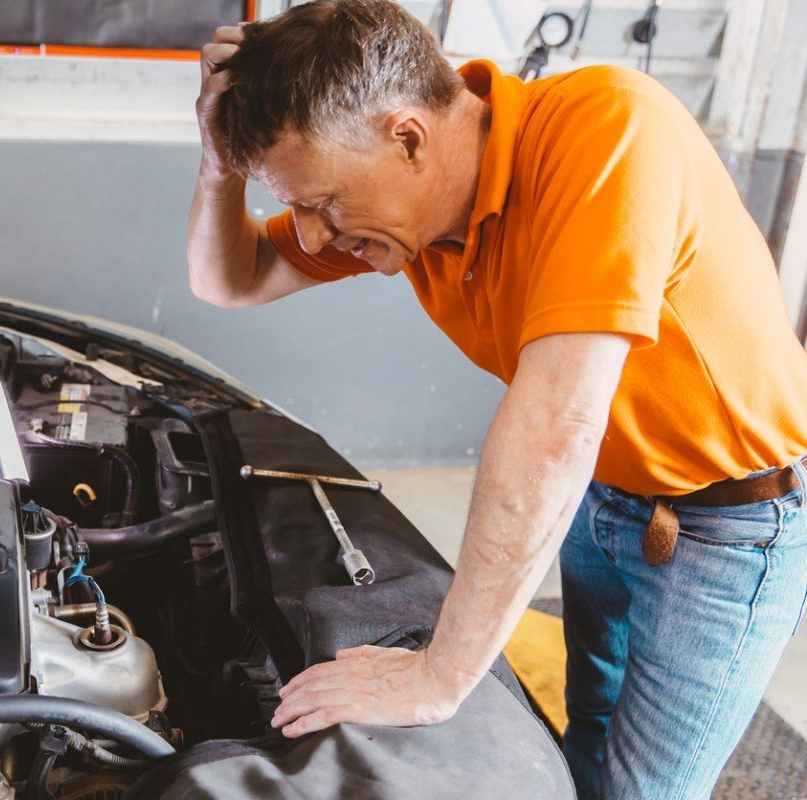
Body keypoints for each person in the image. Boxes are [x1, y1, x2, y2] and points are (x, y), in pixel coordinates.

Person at [185, 1, 807, 798]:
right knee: (586, 736)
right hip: (603, 499)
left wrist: (440, 673)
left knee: (644, 790)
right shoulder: (414, 211)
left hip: (728, 529)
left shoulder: (608, 131)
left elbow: (556, 427)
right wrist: (216, 165)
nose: (310, 236)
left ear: (407, 137)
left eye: (322, 203)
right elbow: (227, 279)